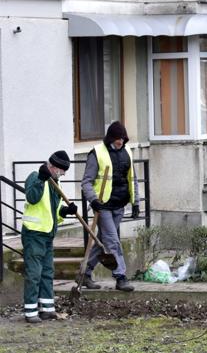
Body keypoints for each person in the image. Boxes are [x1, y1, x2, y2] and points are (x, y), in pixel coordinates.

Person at [81, 121, 138, 292]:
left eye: (123, 138)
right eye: (118, 138)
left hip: (119, 205)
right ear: (111, 138)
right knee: (113, 241)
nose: (121, 141)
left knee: (103, 242)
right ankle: (120, 277)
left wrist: (136, 203)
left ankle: (84, 274)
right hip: (103, 205)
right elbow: (86, 182)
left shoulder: (127, 152)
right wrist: (93, 200)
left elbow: (132, 179)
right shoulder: (97, 153)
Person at [21, 151, 77, 323]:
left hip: (48, 234)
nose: (64, 174)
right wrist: (41, 180)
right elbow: (32, 198)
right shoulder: (36, 177)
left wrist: (65, 212)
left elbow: (54, 212)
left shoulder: (56, 183)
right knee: (34, 273)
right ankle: (30, 312)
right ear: (53, 167)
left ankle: (47, 309)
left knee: (47, 272)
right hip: (34, 233)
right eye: (62, 171)